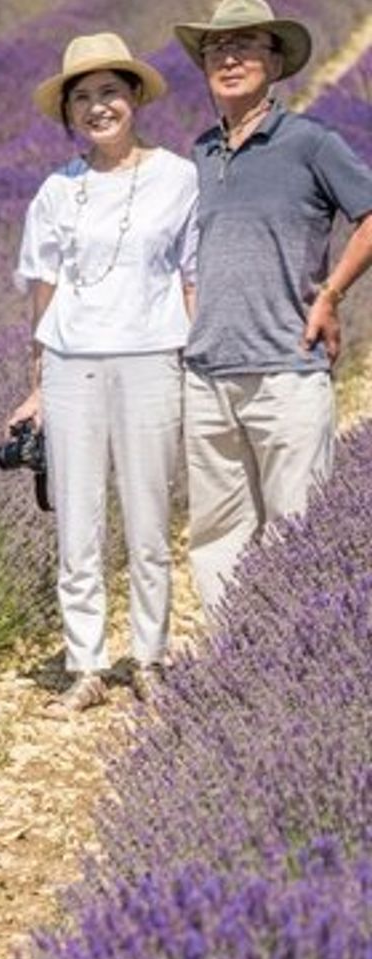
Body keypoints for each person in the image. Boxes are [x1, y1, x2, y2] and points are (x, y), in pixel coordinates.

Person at [9, 32, 200, 714]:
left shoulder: (180, 177)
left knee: (149, 519)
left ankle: (149, 656)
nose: (98, 107)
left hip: (152, 358)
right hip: (72, 366)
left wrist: (196, 357)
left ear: (135, 99)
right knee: (78, 523)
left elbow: (192, 277)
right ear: (69, 115)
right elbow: (43, 289)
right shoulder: (57, 192)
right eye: (82, 98)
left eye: (109, 93)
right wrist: (35, 385)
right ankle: (86, 664)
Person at [173, 0, 372, 613]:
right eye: (215, 49)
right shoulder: (200, 152)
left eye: (247, 45)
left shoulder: (311, 142)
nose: (229, 58)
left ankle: (309, 652)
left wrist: (331, 294)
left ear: (276, 60)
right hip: (207, 374)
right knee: (216, 536)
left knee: (299, 528)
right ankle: (231, 657)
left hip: (287, 367)